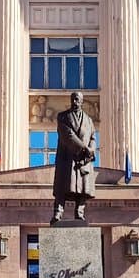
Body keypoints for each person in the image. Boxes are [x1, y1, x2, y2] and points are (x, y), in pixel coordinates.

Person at [51, 91, 96, 222]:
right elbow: (67, 135)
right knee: (62, 188)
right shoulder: (63, 117)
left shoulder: (88, 120)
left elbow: (93, 137)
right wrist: (84, 148)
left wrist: (92, 149)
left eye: (77, 100)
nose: (75, 102)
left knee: (82, 189)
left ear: (82, 101)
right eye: (73, 99)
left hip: (83, 161)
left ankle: (79, 213)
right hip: (67, 158)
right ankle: (58, 213)